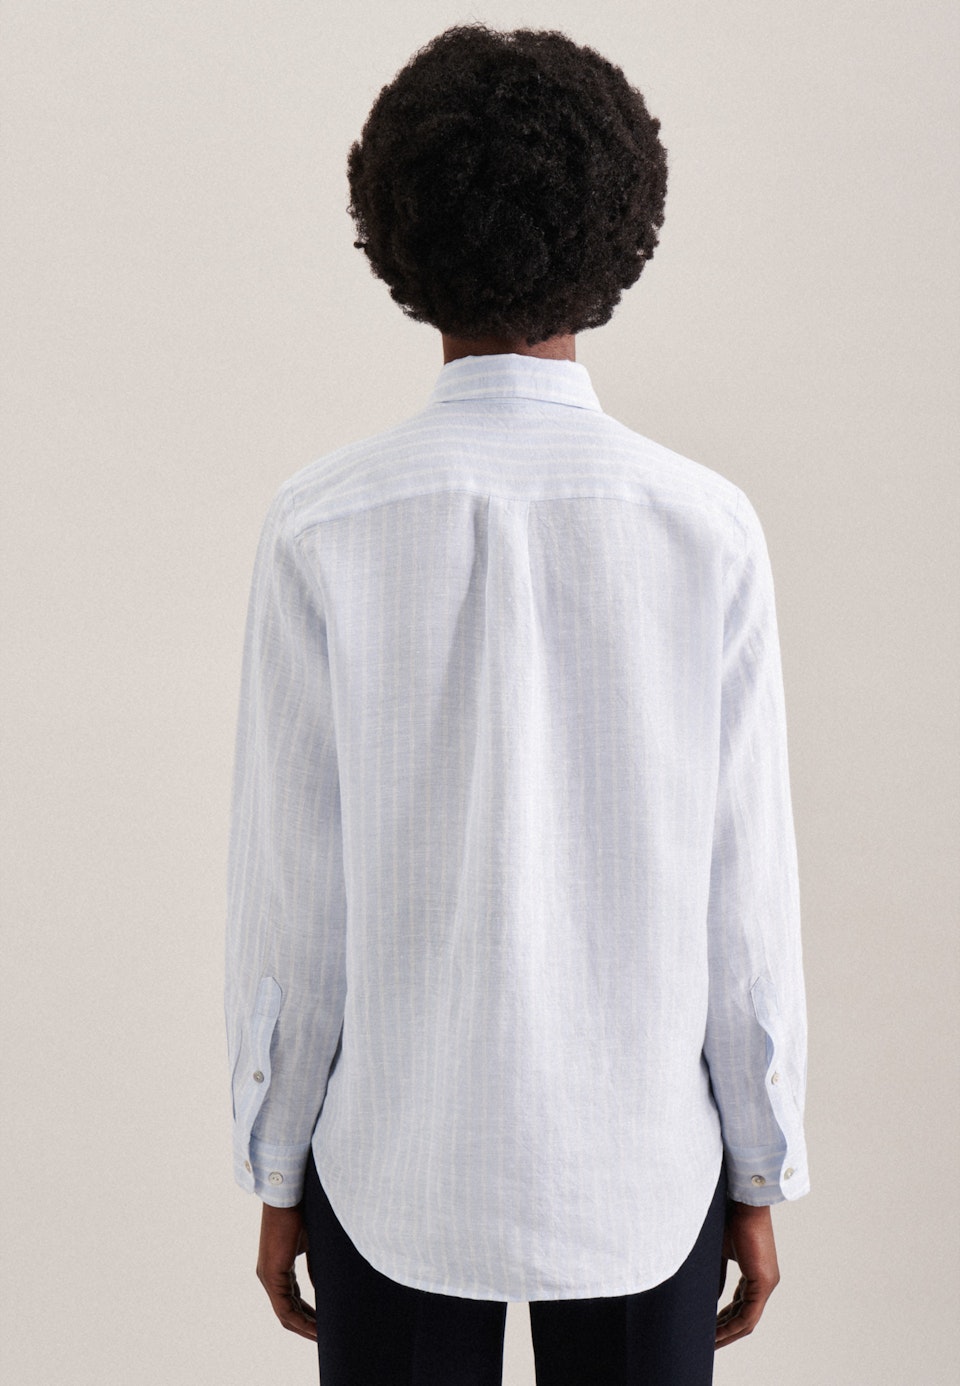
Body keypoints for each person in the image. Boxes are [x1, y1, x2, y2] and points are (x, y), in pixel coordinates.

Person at [224, 22, 810, 1386]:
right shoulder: (706, 526)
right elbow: (743, 898)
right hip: (646, 1168)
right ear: (619, 231)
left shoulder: (321, 523)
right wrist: (760, 1166)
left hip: (393, 1165)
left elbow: (297, 898)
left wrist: (276, 1160)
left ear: (398, 234)